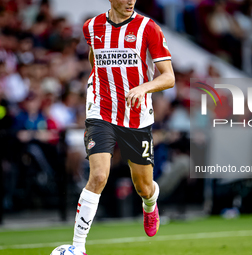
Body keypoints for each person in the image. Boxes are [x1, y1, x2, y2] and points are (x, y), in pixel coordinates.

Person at [72, 0, 175, 253]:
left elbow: (169, 76)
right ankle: (77, 248)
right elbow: (94, 60)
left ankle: (150, 203)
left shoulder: (148, 27)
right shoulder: (92, 27)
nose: (130, 1)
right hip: (101, 110)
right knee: (97, 176)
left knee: (143, 186)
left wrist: (143, 87)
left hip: (136, 117)